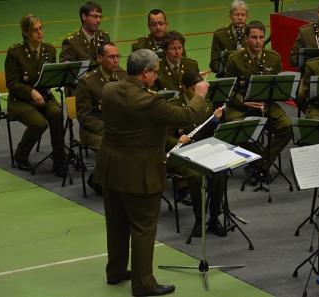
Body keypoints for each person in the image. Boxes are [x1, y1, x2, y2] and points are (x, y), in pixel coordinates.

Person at [92, 49, 210, 296]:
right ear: (145, 72)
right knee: (144, 228)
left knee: (116, 225)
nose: (157, 77)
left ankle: (115, 271)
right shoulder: (150, 102)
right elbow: (188, 115)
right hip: (139, 173)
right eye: (155, 72)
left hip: (111, 169)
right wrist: (199, 94)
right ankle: (144, 284)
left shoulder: (110, 89)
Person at [224, 20, 292, 183]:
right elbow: (228, 90)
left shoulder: (273, 58)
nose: (258, 41)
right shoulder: (235, 59)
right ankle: (260, 165)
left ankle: (259, 165)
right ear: (246, 38)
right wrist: (244, 102)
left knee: (287, 128)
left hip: (266, 105)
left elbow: (278, 87)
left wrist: (270, 97)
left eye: (261, 37)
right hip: (241, 107)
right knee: (238, 128)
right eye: (254, 37)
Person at [166, 70, 227, 237]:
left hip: (200, 151)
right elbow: (164, 137)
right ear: (183, 88)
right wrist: (177, 140)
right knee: (195, 175)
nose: (198, 93)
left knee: (219, 172)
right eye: (194, 89)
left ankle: (214, 218)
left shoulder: (206, 104)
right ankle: (199, 220)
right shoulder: (172, 105)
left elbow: (209, 135)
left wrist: (216, 121)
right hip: (178, 154)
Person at [5, 15, 65, 177]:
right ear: (26, 33)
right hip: (20, 100)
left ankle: (59, 160)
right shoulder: (15, 52)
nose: (40, 33)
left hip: (44, 97)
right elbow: (12, 83)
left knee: (57, 113)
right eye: (35, 30)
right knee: (39, 123)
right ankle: (21, 155)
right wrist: (30, 91)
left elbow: (50, 77)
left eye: (41, 28)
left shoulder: (49, 50)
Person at [75, 42, 126, 195]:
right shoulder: (87, 82)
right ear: (100, 59)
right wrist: (109, 130)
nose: (116, 60)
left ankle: (97, 178)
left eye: (117, 56)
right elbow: (84, 116)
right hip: (94, 130)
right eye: (111, 57)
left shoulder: (123, 77)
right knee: (112, 151)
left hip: (119, 127)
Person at [60, 2, 110, 76]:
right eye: (95, 16)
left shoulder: (104, 37)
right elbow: (68, 73)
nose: (98, 20)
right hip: (83, 85)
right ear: (84, 16)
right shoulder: (72, 43)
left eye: (100, 17)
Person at [209, 0, 248, 76]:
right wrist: (229, 69)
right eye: (236, 15)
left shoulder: (254, 33)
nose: (240, 18)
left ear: (247, 16)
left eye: (243, 14)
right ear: (230, 16)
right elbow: (214, 64)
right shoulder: (220, 35)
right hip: (227, 77)